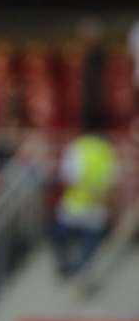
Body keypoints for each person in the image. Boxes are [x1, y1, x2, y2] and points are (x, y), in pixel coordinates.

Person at [51, 110, 117, 277]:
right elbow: (112, 181)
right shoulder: (107, 150)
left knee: (59, 234)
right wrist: (110, 207)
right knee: (90, 241)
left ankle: (66, 265)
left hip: (76, 203)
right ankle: (83, 270)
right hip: (97, 205)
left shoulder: (78, 147)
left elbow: (68, 176)